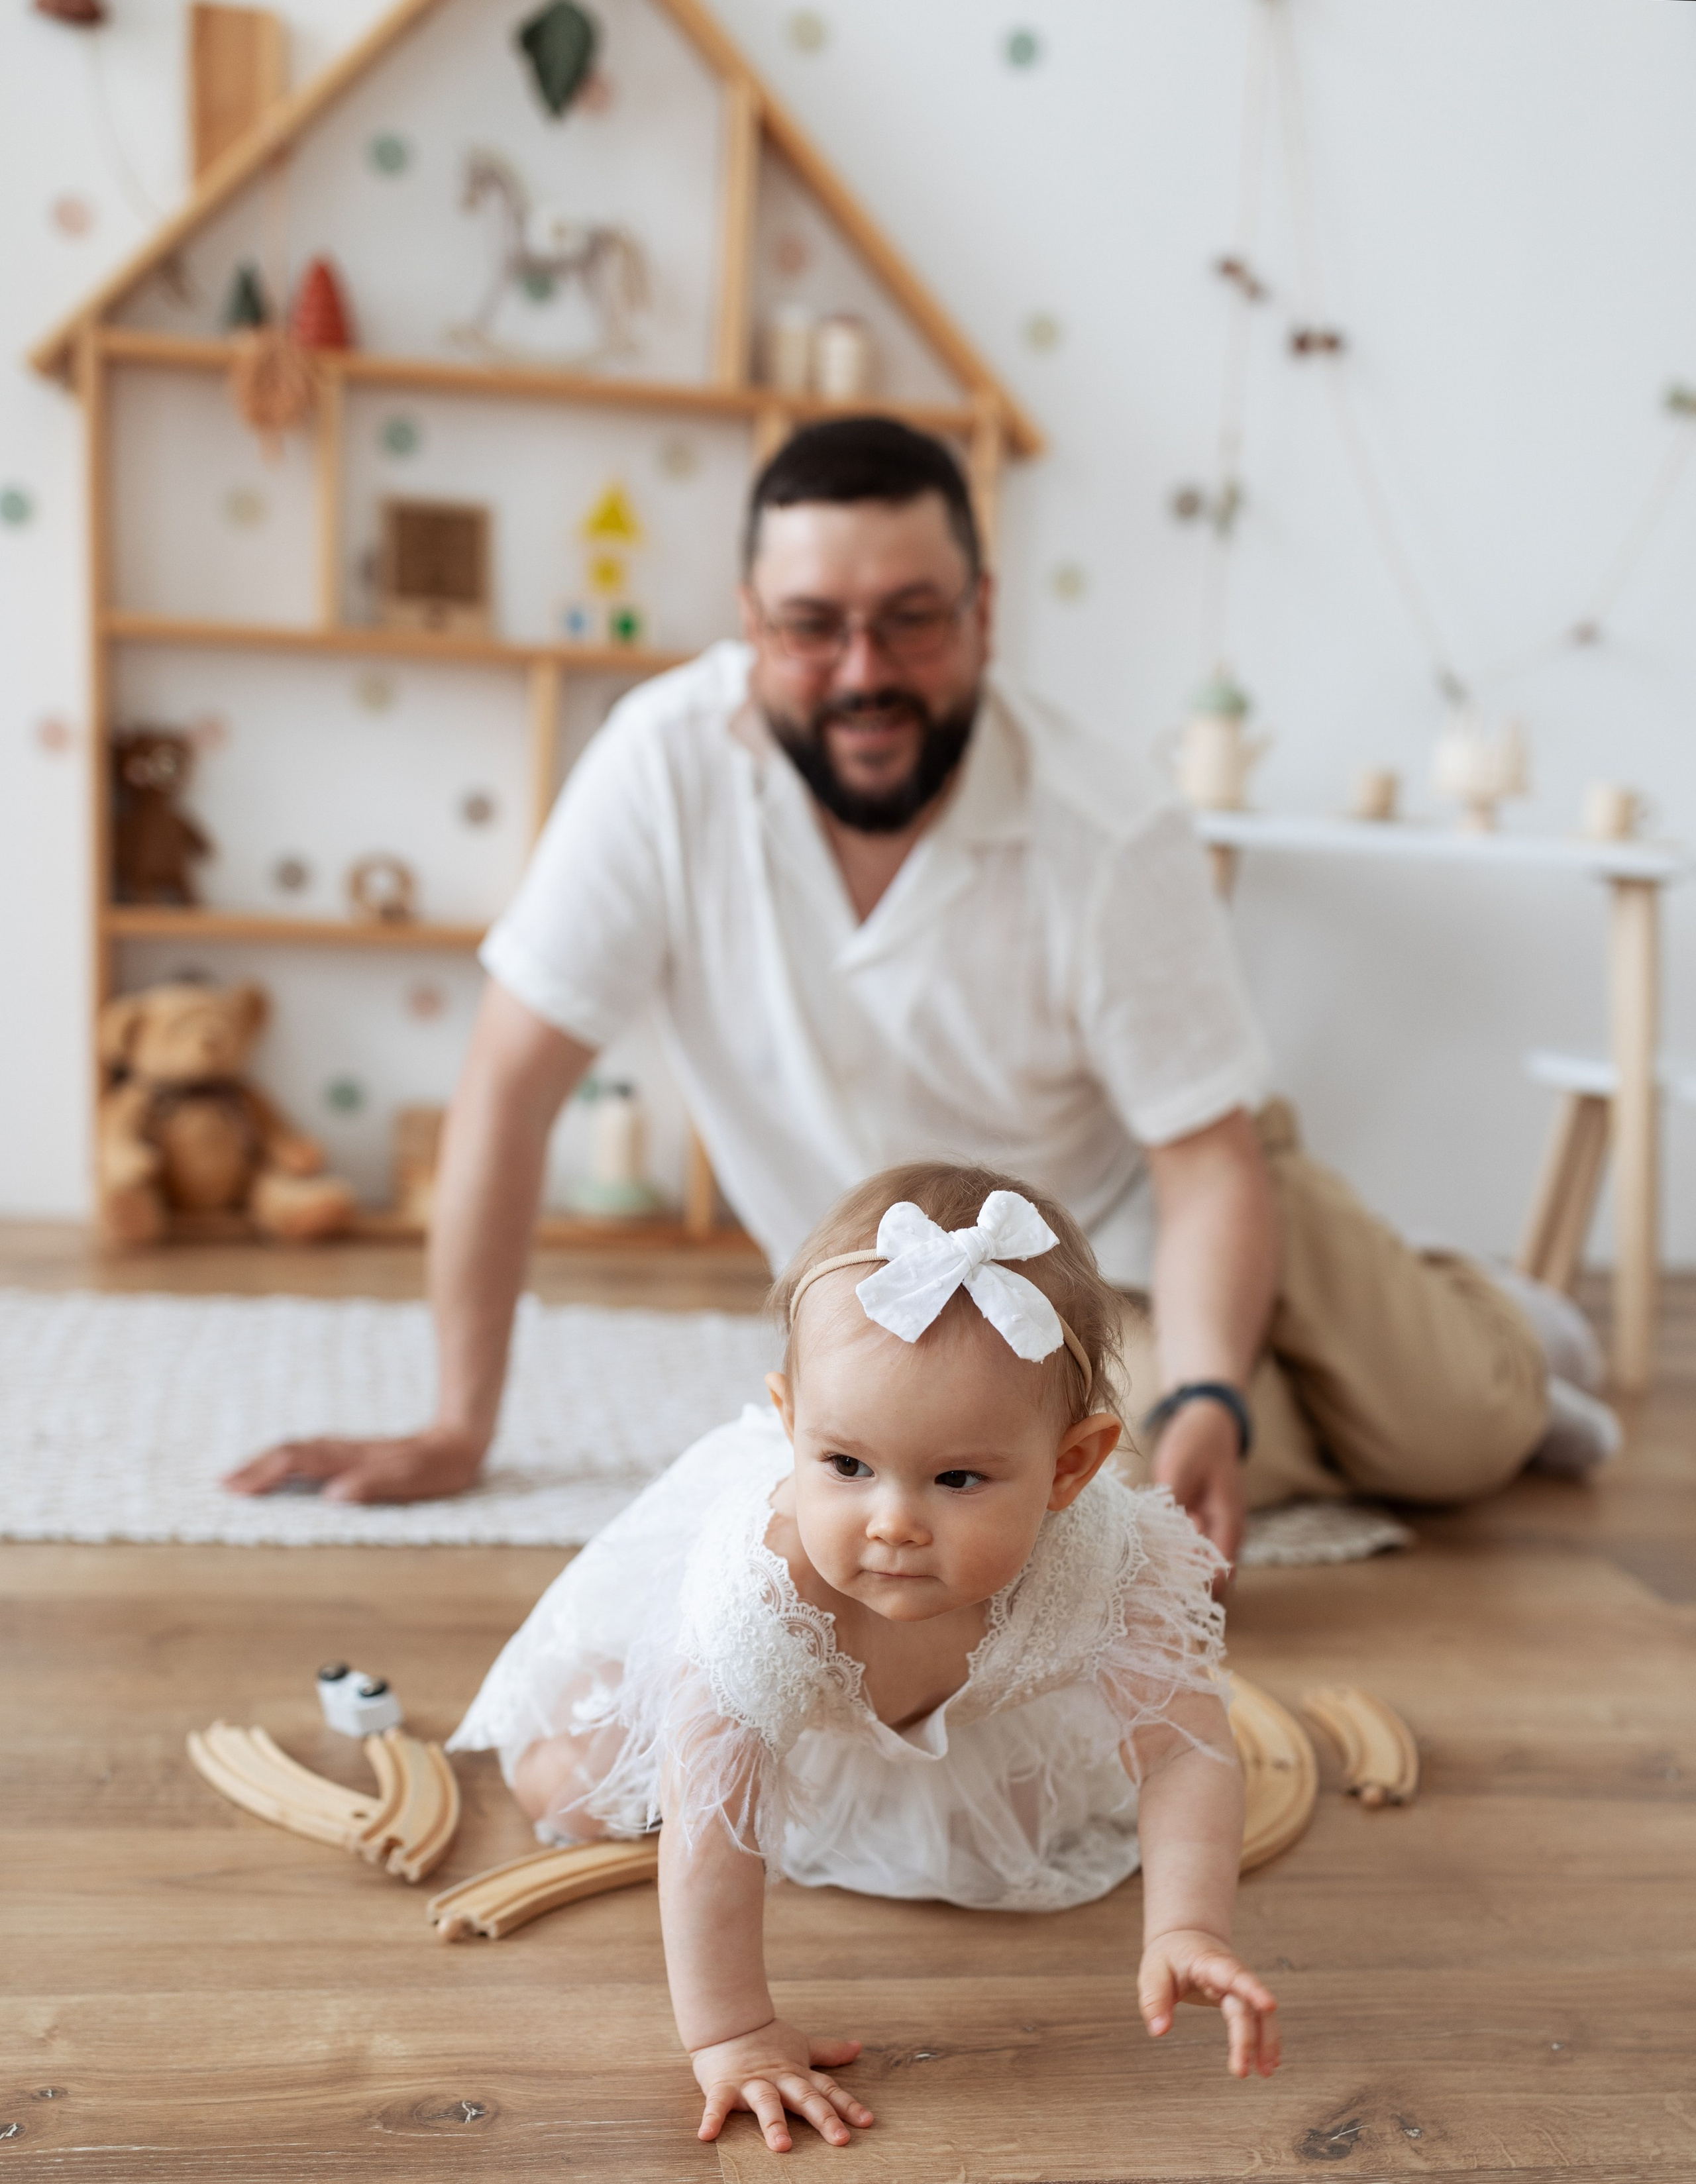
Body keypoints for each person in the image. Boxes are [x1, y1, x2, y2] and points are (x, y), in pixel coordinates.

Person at [227, 415, 1613, 1558]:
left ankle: (1486, 1325)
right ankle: (1319, 1376)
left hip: (1158, 1203)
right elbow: (509, 1094)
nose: (860, 675)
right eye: (811, 628)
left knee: (1456, 1440)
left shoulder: (1105, 827)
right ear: (749, 622)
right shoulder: (659, 769)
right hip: (929, 1295)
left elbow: (1202, 1165)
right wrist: (460, 1425)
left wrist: (1202, 1387)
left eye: (908, 622)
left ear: (982, 612)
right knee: (1069, 1493)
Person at [447, 1163, 1281, 2152]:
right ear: (791, 1422)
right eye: (846, 1466)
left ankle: (900, 1724)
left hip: (956, 1692)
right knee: (570, 1791)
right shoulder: (761, 1590)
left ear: (1072, 1467)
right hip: (772, 1669)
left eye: (958, 1478)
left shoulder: (1108, 1560)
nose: (892, 1523)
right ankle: (627, 1709)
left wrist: (1189, 1924)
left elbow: (1184, 1748)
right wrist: (734, 2033)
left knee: (1019, 1837)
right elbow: (717, 1825)